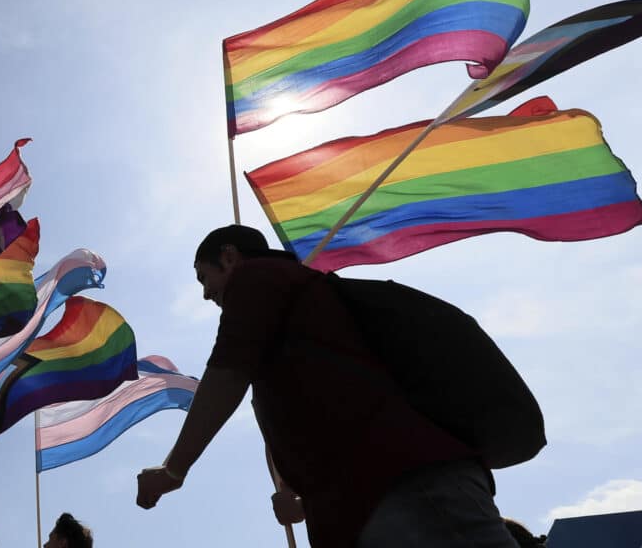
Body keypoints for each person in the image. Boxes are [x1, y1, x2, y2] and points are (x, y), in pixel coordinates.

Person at [136, 225, 521, 547]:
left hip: (408, 490)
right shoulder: (291, 318)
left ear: (231, 256)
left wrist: (174, 469)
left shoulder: (258, 277)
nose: (205, 293)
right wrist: (301, 501)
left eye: (205, 277)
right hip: (380, 500)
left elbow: (227, 374)